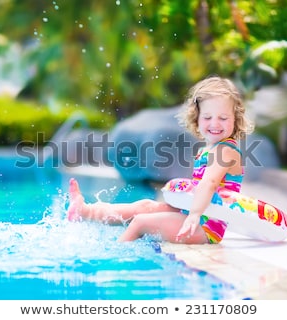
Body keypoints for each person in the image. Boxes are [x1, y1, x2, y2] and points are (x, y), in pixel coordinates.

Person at [66, 75, 254, 244]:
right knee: (144, 206)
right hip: (193, 214)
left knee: (141, 222)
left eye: (223, 118)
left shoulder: (226, 150)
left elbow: (209, 184)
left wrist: (194, 215)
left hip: (206, 226)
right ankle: (86, 211)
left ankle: (114, 260)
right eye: (207, 117)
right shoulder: (207, 149)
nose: (214, 124)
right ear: (196, 118)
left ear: (235, 120)